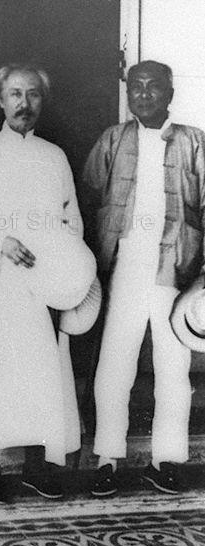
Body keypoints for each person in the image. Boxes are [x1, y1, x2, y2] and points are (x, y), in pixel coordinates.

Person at [0, 64, 96, 503]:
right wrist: (0, 243)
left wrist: (61, 266)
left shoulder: (54, 157)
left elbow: (72, 220)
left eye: (32, 94)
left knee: (39, 376)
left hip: (42, 287)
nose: (24, 103)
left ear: (41, 101)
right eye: (15, 93)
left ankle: (35, 465)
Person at [83, 60, 205, 497]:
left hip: (175, 271)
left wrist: (201, 272)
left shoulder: (194, 141)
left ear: (170, 93)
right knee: (115, 364)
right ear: (128, 93)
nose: (145, 94)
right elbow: (89, 194)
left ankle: (166, 461)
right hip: (124, 268)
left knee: (173, 368)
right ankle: (107, 459)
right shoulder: (113, 139)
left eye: (154, 87)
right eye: (137, 87)